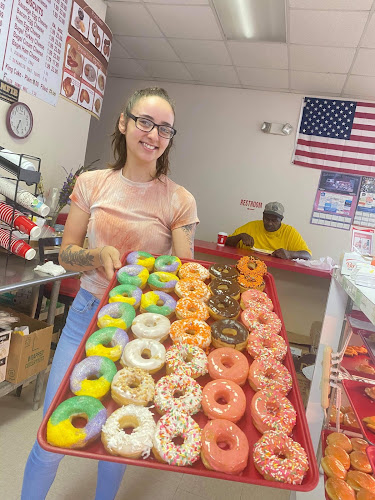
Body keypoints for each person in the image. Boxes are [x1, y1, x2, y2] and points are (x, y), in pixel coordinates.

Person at [21, 87, 199, 500]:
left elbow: (185, 275)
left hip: (142, 331)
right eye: (145, 121)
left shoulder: (179, 200)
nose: (154, 134)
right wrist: (95, 255)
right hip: (85, 315)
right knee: (51, 434)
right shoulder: (92, 183)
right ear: (123, 122)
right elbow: (65, 253)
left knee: (121, 442)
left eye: (165, 128)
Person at [225, 201, 311, 260]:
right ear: (263, 216)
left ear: (281, 219)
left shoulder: (289, 232)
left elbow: (307, 255)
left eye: (274, 220)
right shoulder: (251, 226)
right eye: (267, 219)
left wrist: (290, 254)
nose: (269, 223)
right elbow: (225, 242)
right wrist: (239, 237)